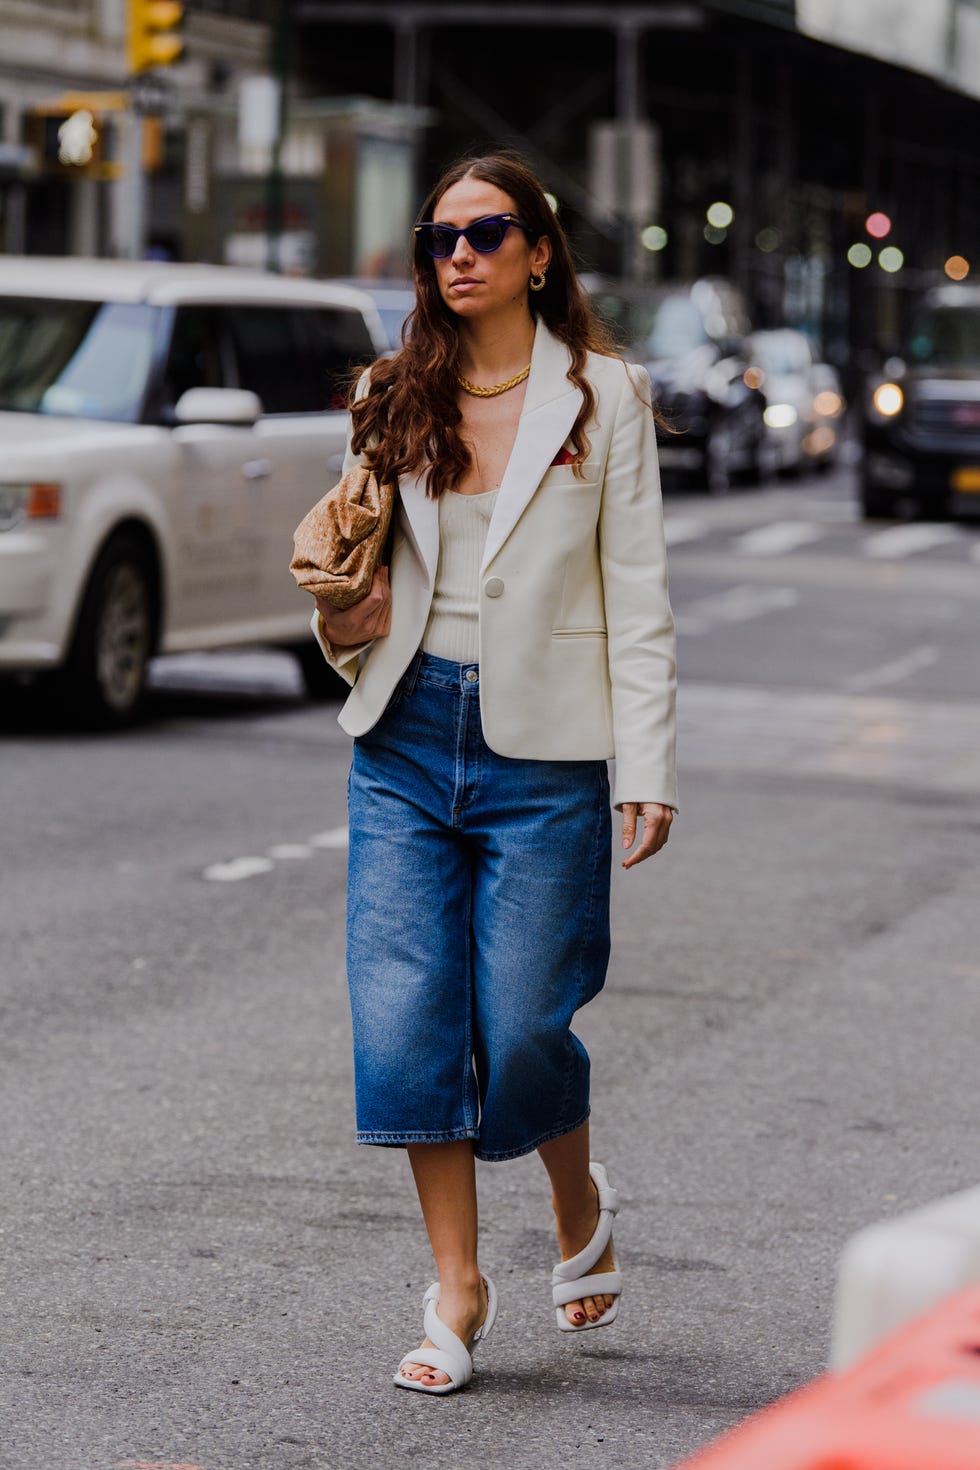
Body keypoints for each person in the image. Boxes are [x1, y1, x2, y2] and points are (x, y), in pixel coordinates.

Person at [309, 151, 678, 1394]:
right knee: (409, 1019)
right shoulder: (386, 387)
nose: (457, 253)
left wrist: (648, 765)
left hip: (547, 750)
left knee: (521, 1024)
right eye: (439, 236)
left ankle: (578, 1203)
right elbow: (354, 578)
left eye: (485, 232)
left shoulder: (601, 397)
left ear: (538, 251)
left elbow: (636, 594)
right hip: (404, 734)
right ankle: (456, 1287)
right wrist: (337, 618)